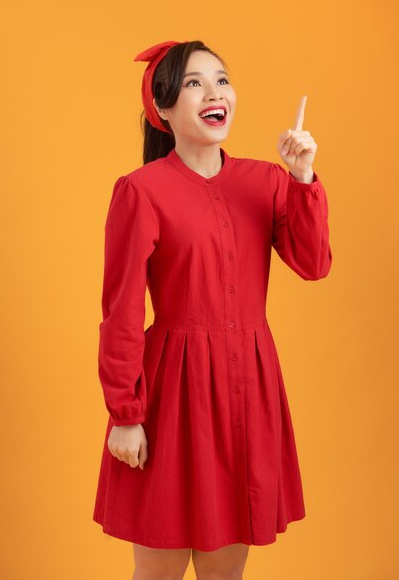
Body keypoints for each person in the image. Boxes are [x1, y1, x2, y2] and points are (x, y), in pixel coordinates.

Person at [92, 39, 333, 579]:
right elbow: (122, 311)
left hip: (248, 386)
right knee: (159, 569)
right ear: (163, 108)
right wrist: (126, 414)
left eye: (221, 79)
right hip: (172, 393)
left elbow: (314, 263)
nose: (213, 92)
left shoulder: (266, 181)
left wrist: (301, 177)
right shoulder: (140, 190)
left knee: (227, 573)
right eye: (195, 82)